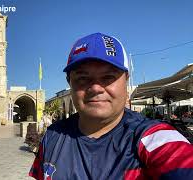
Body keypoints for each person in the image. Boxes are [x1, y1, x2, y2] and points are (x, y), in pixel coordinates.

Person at [29, 33, 193, 180]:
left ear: (126, 80)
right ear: (69, 83)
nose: (95, 88)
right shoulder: (53, 136)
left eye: (108, 77)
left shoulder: (155, 138)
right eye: (82, 78)